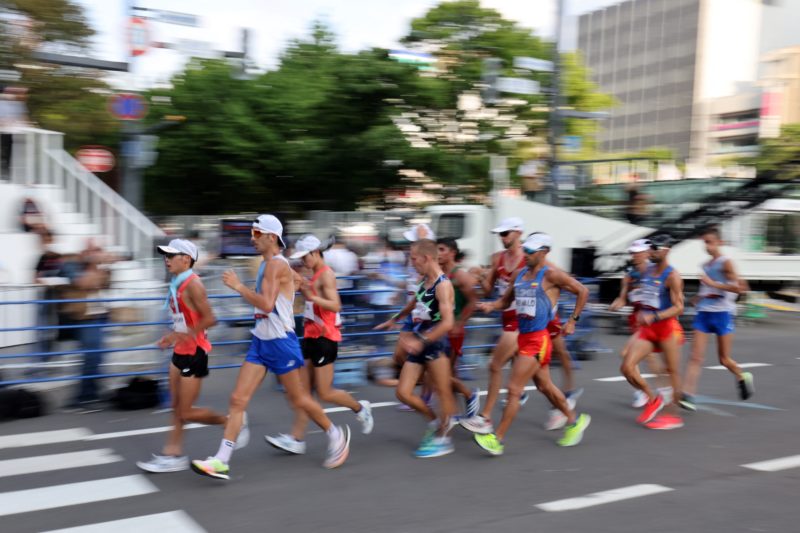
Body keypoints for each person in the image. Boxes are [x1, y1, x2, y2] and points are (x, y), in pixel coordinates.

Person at [191, 215, 350, 480]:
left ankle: (335, 435)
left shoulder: (276, 264)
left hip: (280, 343)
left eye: (256, 233)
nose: (251, 238)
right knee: (237, 399)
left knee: (298, 398)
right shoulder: (269, 265)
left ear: (271, 237)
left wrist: (238, 286)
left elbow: (266, 304)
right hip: (261, 341)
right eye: (252, 233)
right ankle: (221, 460)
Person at [462, 233, 591, 454]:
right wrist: (490, 306)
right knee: (544, 386)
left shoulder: (551, 275)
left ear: (544, 252)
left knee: (514, 389)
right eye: (526, 250)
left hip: (538, 339)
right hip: (523, 336)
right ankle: (574, 420)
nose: (527, 254)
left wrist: (572, 321)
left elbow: (583, 291)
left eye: (532, 251)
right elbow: (505, 301)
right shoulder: (520, 275)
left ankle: (497, 439)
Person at [265, 235, 373, 455]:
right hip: (310, 337)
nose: (303, 261)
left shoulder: (327, 275)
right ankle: (296, 439)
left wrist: (311, 296)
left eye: (305, 257)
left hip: (326, 339)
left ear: (315, 253)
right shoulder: (313, 275)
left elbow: (335, 305)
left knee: (325, 393)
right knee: (303, 393)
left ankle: (360, 408)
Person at [137, 240, 230, 473]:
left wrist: (183, 335)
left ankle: (229, 423)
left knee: (186, 411)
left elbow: (210, 319)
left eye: (171, 255)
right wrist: (172, 337)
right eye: (165, 255)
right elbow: (184, 319)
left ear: (186, 259)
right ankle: (173, 454)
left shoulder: (193, 284)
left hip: (195, 352)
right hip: (180, 350)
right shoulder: (176, 283)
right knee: (177, 408)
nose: (166, 259)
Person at [375, 239, 456, 458]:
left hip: (435, 344)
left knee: (442, 392)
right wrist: (394, 320)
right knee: (403, 393)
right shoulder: (424, 281)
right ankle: (435, 423)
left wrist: (422, 341)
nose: (411, 263)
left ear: (427, 258)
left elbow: (448, 322)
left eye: (413, 258)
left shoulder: (443, 285)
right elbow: (413, 305)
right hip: (420, 340)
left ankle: (443, 439)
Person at [459, 217, 526, 434]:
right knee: (542, 381)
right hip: (505, 316)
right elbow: (489, 290)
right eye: (500, 234)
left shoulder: (531, 258)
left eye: (506, 233)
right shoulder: (497, 258)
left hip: (522, 320)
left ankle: (485, 418)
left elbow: (553, 281)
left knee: (494, 365)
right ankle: (568, 413)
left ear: (518, 232)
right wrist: (479, 276)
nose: (502, 238)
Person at [681, 227, 752, 410]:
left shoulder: (726, 263)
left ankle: (742, 376)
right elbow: (707, 290)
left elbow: (737, 289)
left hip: (723, 314)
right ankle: (688, 395)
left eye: (710, 242)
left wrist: (713, 284)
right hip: (704, 313)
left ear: (720, 242)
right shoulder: (705, 265)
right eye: (704, 242)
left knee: (724, 359)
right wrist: (698, 297)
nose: (707, 246)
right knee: (695, 356)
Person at [619, 234, 685, 430]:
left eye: (655, 249)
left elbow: (679, 307)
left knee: (671, 372)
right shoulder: (646, 270)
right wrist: (623, 298)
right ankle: (652, 399)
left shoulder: (672, 276)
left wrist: (655, 316)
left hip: (665, 328)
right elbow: (631, 279)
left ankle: (673, 416)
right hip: (647, 330)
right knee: (627, 367)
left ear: (667, 250)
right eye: (650, 249)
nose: (651, 252)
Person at [609, 238, 666, 408]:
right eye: (632, 252)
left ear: (647, 253)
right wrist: (617, 303)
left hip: (651, 319)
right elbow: (622, 297)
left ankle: (654, 391)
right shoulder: (629, 274)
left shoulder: (655, 272)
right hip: (636, 318)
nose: (633, 255)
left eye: (637, 252)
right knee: (645, 356)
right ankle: (651, 390)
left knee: (630, 354)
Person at [60, 243, 112, 412]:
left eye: (97, 250)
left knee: (97, 357)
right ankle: (83, 397)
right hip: (84, 318)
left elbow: (107, 284)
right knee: (91, 357)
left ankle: (92, 394)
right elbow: (82, 282)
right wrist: (94, 266)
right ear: (84, 251)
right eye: (93, 250)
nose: (96, 254)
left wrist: (104, 266)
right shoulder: (71, 264)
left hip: (99, 316)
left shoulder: (98, 267)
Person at [436, 237, 480, 418]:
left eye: (441, 249)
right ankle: (454, 408)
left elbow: (473, 301)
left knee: (444, 373)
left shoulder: (460, 274)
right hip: (438, 329)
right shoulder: (437, 273)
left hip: (453, 330)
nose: (437, 254)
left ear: (452, 253)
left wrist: (460, 323)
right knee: (442, 373)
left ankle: (468, 397)